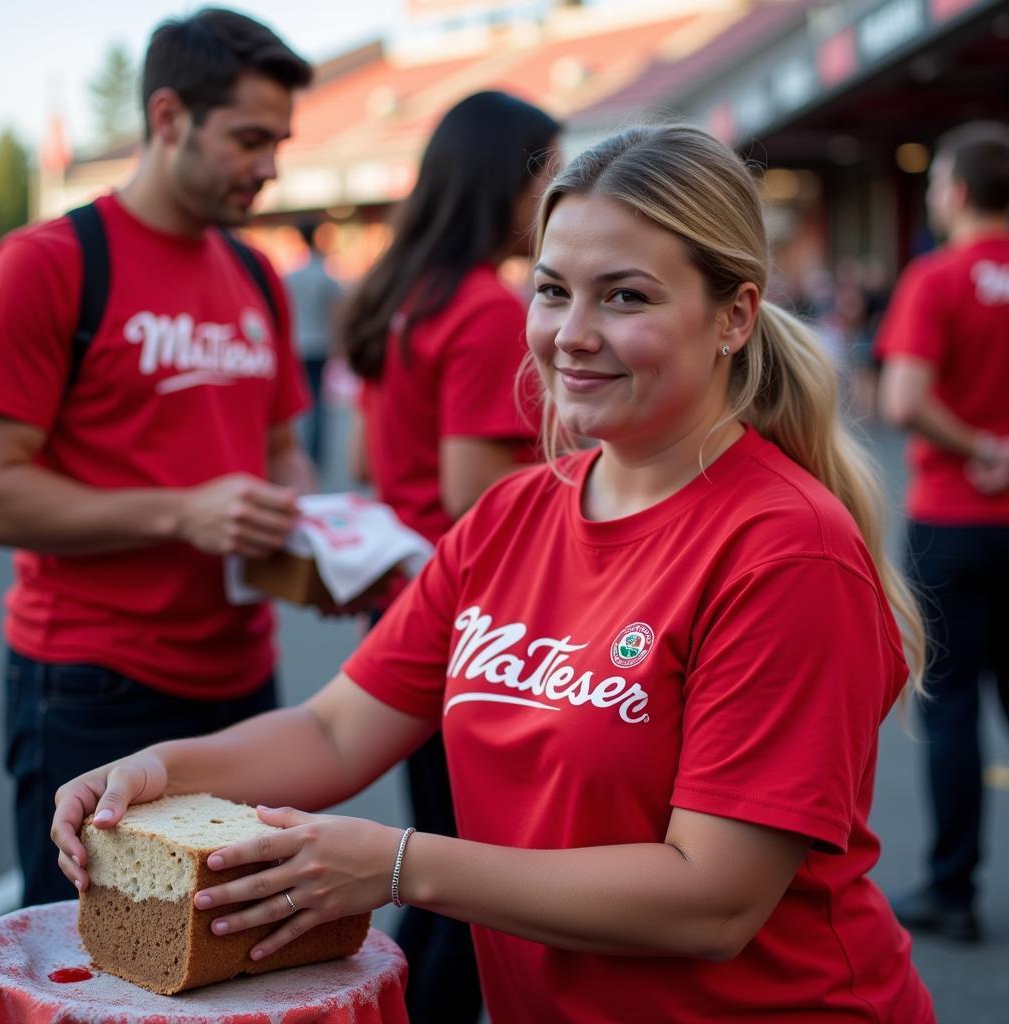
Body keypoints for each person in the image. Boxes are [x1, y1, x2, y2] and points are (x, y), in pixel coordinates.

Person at [52, 123, 935, 1022]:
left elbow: (713, 899)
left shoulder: (786, 550)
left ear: (734, 316)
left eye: (625, 297)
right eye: (552, 291)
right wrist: (160, 770)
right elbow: (333, 730)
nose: (571, 336)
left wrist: (400, 866)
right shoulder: (513, 514)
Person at [0, 8, 316, 907]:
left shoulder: (256, 276)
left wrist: (317, 531)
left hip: (245, 686)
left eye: (278, 141)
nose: (270, 166)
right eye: (251, 139)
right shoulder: (49, 263)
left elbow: (285, 452)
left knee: (232, 950)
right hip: (96, 684)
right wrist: (181, 510)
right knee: (95, 962)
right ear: (168, 118)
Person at [340, 90, 560, 1023]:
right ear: (502, 182)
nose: (555, 192)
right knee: (465, 884)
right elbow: (475, 491)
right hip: (464, 612)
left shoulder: (404, 292)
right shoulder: (479, 307)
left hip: (407, 593)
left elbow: (363, 461)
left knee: (434, 856)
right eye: (546, 172)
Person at [876, 121, 1009, 942]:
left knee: (953, 708)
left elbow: (901, 400)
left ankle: (952, 891)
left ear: (956, 193)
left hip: (954, 523)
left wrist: (981, 446)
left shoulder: (937, 277)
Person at [284, 219, 345, 468]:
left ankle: (300, 450)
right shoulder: (325, 275)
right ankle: (315, 451)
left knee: (299, 401)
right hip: (320, 344)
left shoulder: (292, 276)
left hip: (297, 344)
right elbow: (336, 314)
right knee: (318, 399)